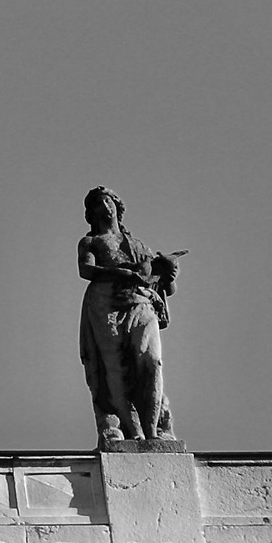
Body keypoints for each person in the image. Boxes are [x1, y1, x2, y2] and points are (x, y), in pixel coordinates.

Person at [77, 186, 183, 445]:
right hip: (105, 302)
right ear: (92, 212)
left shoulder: (138, 246)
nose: (106, 206)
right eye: (100, 203)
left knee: (152, 360)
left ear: (118, 206)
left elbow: (164, 286)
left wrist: (170, 275)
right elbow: (86, 269)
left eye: (109, 201)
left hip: (141, 302)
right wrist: (119, 273)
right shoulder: (91, 242)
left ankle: (155, 428)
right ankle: (130, 429)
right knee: (114, 365)